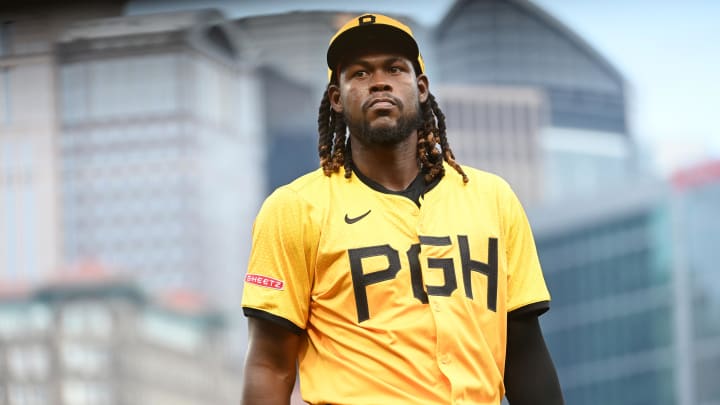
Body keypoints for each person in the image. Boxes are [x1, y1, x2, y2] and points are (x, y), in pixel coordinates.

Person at [240, 13, 564, 405]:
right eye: (359, 73)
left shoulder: (493, 198)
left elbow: (524, 350)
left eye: (395, 69)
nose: (379, 81)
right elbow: (270, 364)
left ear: (421, 87)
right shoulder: (294, 209)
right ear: (336, 99)